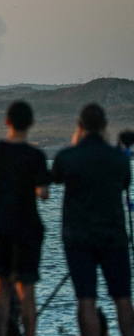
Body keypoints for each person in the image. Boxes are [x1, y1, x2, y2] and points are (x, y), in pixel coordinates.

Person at [52, 103, 134, 336]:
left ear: (80, 125)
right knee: (123, 300)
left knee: (85, 300)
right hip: (114, 237)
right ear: (105, 126)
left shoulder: (68, 157)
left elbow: (55, 177)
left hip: (78, 239)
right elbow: (125, 183)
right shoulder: (119, 159)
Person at [0, 100, 51, 336]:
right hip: (28, 226)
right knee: (27, 288)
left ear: (7, 121)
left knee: (0, 288)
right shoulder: (36, 156)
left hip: (0, 224)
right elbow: (43, 193)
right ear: (32, 123)